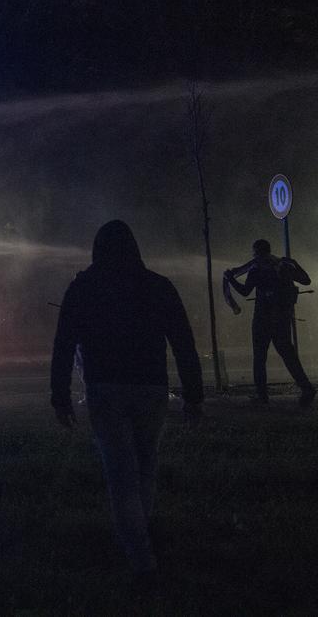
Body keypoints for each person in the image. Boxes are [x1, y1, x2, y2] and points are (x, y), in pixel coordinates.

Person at [51, 220, 203, 580]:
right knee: (146, 465)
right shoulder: (158, 286)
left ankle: (140, 557)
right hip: (151, 388)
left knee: (120, 473)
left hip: (105, 388)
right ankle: (140, 537)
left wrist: (60, 396)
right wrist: (193, 395)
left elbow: (64, 344)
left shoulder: (83, 287)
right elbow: (183, 342)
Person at [224, 239, 315, 407]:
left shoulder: (257, 269)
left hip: (262, 319)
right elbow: (306, 281)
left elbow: (245, 291)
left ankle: (262, 396)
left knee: (259, 357)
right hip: (282, 318)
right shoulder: (283, 265)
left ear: (256, 252)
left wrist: (231, 279)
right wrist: (294, 263)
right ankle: (306, 388)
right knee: (288, 355)